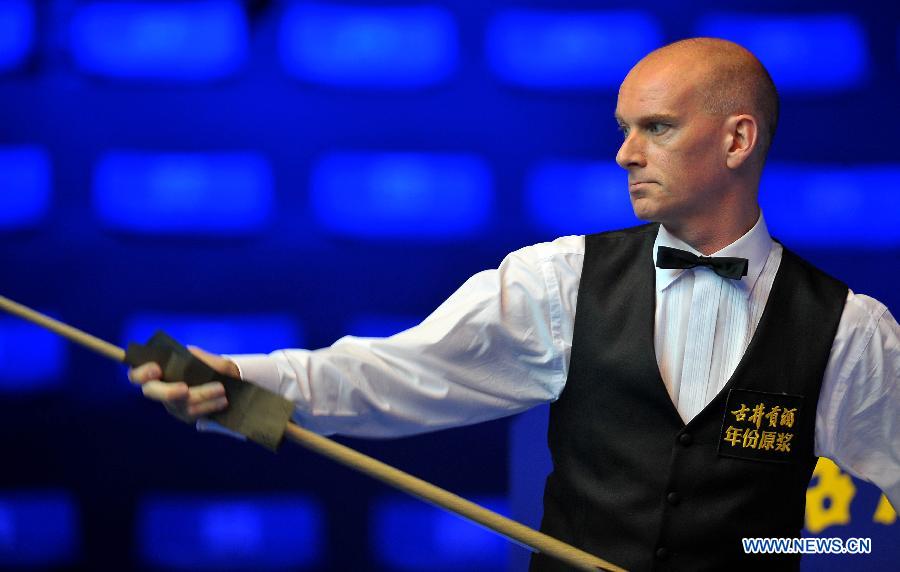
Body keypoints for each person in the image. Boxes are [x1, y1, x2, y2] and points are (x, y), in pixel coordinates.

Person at [129, 38, 898, 570]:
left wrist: (774, 552)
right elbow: (394, 375)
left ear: (737, 140)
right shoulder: (559, 280)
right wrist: (234, 383)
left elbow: (873, 529)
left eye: (656, 128)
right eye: (624, 130)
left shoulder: (848, 330)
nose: (625, 154)